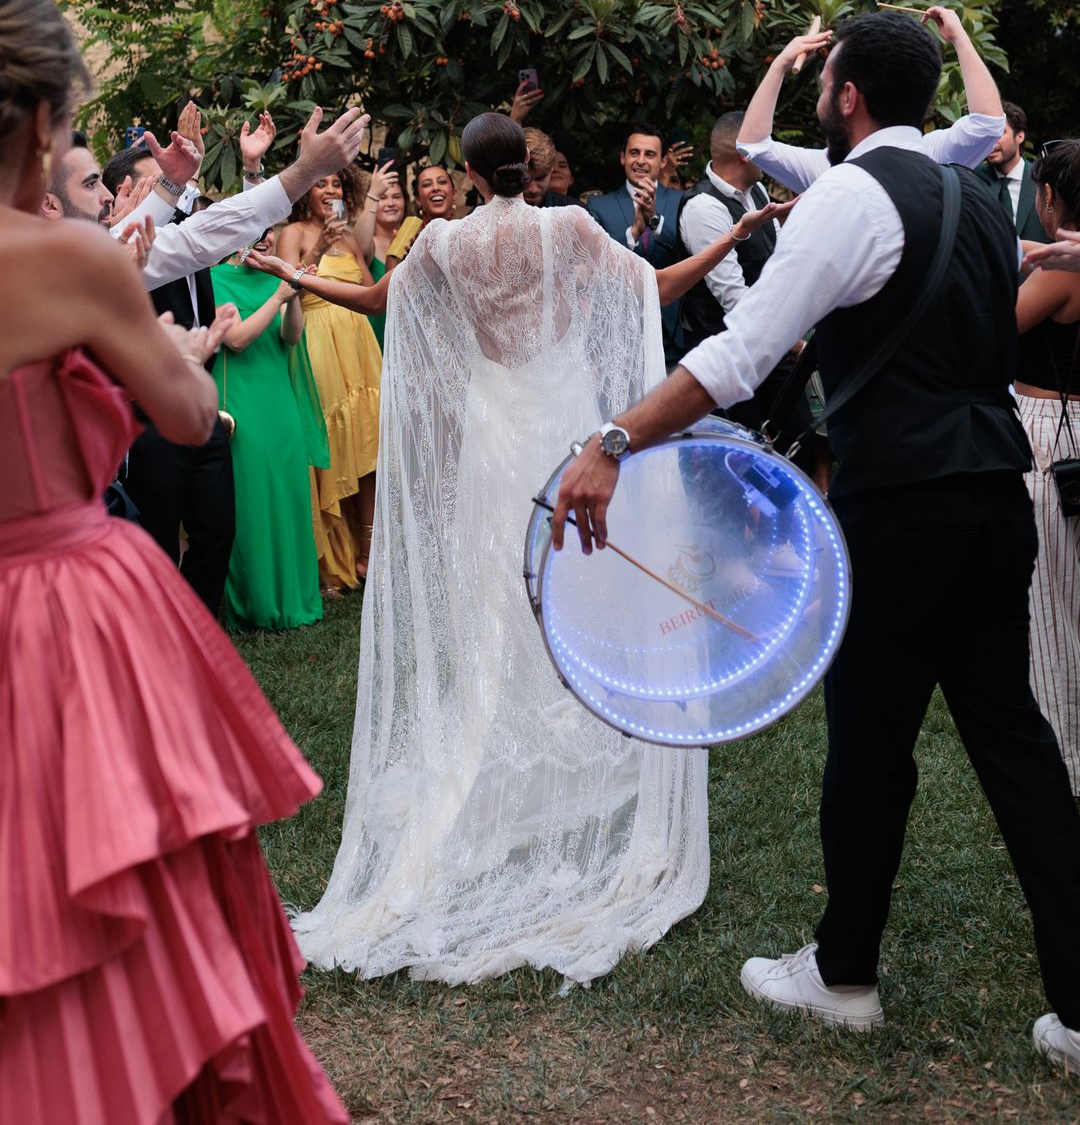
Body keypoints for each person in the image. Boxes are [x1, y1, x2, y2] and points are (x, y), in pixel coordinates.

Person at [553, 11, 1080, 1077]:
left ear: (843, 96)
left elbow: (743, 355)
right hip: (996, 492)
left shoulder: (851, 195)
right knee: (1016, 744)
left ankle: (842, 976)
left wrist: (612, 438)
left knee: (871, 746)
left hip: (905, 506)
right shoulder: (978, 195)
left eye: (823, 82)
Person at [258, 114, 785, 986]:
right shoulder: (570, 227)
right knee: (577, 584)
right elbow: (655, 291)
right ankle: (573, 723)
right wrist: (733, 234)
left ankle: (511, 731)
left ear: (466, 173)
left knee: (498, 594)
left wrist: (295, 276)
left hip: (494, 426)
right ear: (525, 168)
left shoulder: (442, 244)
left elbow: (378, 302)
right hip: (566, 418)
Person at [0, 0, 345, 1123]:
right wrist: (166, 352)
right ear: (47, 119)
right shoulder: (74, 263)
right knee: (124, 874)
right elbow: (190, 415)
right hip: (61, 606)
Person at [99, 105, 369, 616]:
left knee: (218, 528)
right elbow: (216, 233)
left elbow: (231, 231)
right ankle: (158, 641)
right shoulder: (102, 258)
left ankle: (199, 634)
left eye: (173, 187)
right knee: (154, 536)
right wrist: (304, 170)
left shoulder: (178, 232)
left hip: (202, 406)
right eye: (159, 186)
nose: (176, 194)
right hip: (143, 416)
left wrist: (254, 171)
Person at [679, 109, 815, 477]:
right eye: (762, 144)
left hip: (769, 348)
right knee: (742, 467)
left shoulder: (755, 191)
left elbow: (776, 258)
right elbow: (733, 298)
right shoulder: (703, 208)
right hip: (729, 359)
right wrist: (796, 344)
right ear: (745, 154)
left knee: (802, 442)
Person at [737, 7, 1005, 192]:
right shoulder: (930, 157)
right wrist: (958, 37)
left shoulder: (828, 175)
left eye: (826, 86)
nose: (822, 98)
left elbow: (753, 144)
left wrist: (779, 65)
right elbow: (987, 124)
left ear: (848, 97)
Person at [211, 231, 330, 632]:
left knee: (289, 497)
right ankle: (257, 604)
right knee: (253, 502)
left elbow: (291, 336)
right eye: (255, 232)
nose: (265, 239)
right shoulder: (212, 280)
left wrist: (293, 293)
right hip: (243, 406)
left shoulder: (275, 281)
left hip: (281, 404)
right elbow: (238, 339)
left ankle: (296, 600)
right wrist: (281, 294)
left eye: (270, 231)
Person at [278, 167, 382, 588]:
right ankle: (331, 560)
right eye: (322, 184)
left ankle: (369, 550)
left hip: (360, 351)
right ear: (306, 193)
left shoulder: (352, 240)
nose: (331, 190)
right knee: (335, 449)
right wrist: (318, 248)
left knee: (371, 450)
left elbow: (373, 291)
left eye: (336, 184)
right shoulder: (294, 233)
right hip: (319, 345)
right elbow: (286, 290)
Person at [1014, 139, 1080, 794]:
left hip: (1052, 435)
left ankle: (1065, 754)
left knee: (1054, 601)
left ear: (1051, 199)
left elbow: (996, 332)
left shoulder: (1066, 267)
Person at [587, 125, 687, 362]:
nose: (641, 160)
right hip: (619, 331)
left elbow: (688, 252)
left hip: (672, 329)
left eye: (649, 154)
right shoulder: (599, 206)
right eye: (634, 153)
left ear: (663, 162)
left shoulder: (683, 201)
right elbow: (595, 263)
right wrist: (633, 233)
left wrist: (655, 220)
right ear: (623, 158)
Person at [975, 101, 1050, 243]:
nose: (991, 141)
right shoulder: (972, 179)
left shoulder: (1044, 179)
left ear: (1020, 136)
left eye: (1000, 133)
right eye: (987, 134)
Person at [353, 159, 406, 352]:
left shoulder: (416, 239)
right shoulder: (369, 244)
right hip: (377, 340)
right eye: (384, 197)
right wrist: (373, 194)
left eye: (397, 197)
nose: (391, 203)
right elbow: (357, 248)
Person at [385, 163, 457, 265]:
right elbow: (390, 278)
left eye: (442, 182)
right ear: (418, 199)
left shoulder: (467, 230)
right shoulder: (408, 236)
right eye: (427, 184)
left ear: (454, 193)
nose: (435, 188)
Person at [523, 128, 578, 207]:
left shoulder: (574, 212)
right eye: (525, 180)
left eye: (540, 179)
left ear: (551, 170)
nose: (533, 189)